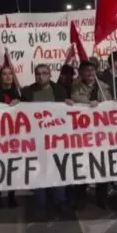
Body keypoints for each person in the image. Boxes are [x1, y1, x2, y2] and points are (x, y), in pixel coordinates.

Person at [23, 64, 72, 216]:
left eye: (44, 73)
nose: (41, 76)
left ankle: (59, 202)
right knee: (39, 170)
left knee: (57, 170)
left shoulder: (59, 91)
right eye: (38, 73)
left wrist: (69, 105)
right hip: (35, 140)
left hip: (56, 139)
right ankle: (40, 203)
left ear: (50, 75)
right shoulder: (27, 92)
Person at [70, 60, 112, 208]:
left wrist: (101, 104)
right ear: (81, 73)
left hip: (101, 133)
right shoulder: (75, 87)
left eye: (92, 70)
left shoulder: (104, 87)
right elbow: (74, 99)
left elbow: (109, 104)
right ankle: (80, 197)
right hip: (83, 133)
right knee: (82, 165)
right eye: (87, 70)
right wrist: (89, 103)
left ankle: (102, 198)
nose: (90, 73)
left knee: (102, 165)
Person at [0, 65, 22, 208]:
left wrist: (20, 104)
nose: (7, 76)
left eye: (10, 74)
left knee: (12, 166)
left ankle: (11, 195)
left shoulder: (19, 93)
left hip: (13, 136)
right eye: (4, 74)